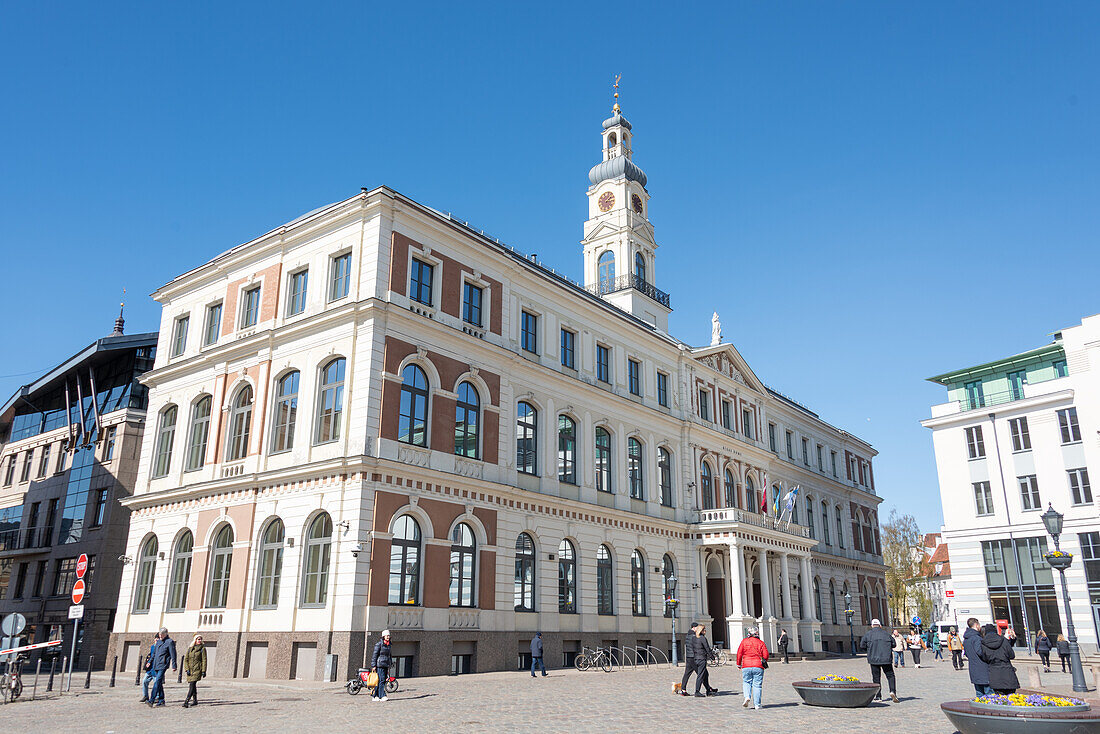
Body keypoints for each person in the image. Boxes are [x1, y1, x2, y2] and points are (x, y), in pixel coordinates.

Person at [860, 619, 899, 703]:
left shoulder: (868, 634)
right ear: (880, 625)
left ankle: (878, 696)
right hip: (886, 659)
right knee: (890, 676)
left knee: (876, 678)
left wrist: (869, 649)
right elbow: (894, 644)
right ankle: (893, 692)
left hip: (873, 659)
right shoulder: (886, 634)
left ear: (872, 625)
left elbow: (862, 645)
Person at [978, 623, 1019, 695]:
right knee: (1012, 699)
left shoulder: (983, 643)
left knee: (999, 700)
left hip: (994, 675)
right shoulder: (1003, 640)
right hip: (1008, 672)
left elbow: (984, 658)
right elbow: (1012, 655)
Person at [736, 627, 769, 710]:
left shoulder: (744, 641)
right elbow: (766, 655)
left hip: (746, 665)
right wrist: (763, 661)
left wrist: (738, 664)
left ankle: (747, 696)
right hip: (758, 666)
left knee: (746, 682)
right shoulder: (761, 643)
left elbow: (739, 653)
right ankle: (757, 704)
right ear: (757, 633)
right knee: (757, 685)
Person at [147, 627, 177, 707]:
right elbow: (154, 654)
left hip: (163, 665)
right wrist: (149, 662)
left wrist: (174, 665)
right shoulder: (159, 642)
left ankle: (151, 700)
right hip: (156, 664)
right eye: (159, 634)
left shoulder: (169, 642)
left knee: (157, 681)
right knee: (159, 683)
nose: (160, 636)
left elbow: (173, 654)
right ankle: (161, 700)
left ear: (165, 634)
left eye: (161, 634)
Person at [963, 617, 993, 696]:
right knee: (989, 695)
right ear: (976, 625)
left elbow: (966, 654)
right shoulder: (976, 638)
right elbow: (980, 652)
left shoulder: (966, 639)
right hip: (983, 670)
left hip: (974, 670)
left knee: (979, 694)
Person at [688, 624, 718, 697]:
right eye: (704, 630)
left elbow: (692, 648)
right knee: (701, 675)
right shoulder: (702, 638)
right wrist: (712, 658)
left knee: (705, 674)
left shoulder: (694, 638)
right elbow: (707, 648)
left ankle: (708, 690)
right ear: (701, 631)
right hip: (701, 659)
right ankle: (697, 691)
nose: (705, 631)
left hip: (696, 658)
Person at [182, 634, 207, 708]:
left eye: (200, 639)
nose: (199, 640)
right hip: (190, 670)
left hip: (197, 669)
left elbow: (204, 660)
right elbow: (186, 659)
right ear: (195, 640)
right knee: (193, 685)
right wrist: (187, 669)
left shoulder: (202, 649)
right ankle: (195, 700)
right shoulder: (190, 648)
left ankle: (186, 701)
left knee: (192, 684)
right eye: (198, 639)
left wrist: (203, 670)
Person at [371, 630, 393, 702]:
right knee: (381, 680)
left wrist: (390, 663)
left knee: (381, 681)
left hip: (386, 664)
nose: (388, 637)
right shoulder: (379, 644)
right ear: (383, 636)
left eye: (389, 636)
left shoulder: (389, 645)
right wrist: (373, 665)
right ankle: (382, 695)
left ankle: (375, 695)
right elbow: (375, 655)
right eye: (387, 636)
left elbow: (389, 655)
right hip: (380, 664)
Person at [679, 623, 699, 696]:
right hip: (693, 657)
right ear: (694, 628)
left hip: (688, 657)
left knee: (687, 674)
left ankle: (683, 689)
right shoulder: (693, 636)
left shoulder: (688, 635)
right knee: (701, 673)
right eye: (697, 627)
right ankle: (708, 688)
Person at [138, 635, 158, 703]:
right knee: (144, 681)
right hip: (150, 669)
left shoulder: (160, 647)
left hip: (156, 669)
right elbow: (152, 656)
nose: (156, 640)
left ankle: (157, 697)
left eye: (158, 639)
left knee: (156, 683)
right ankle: (145, 695)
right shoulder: (152, 647)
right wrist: (148, 662)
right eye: (156, 638)